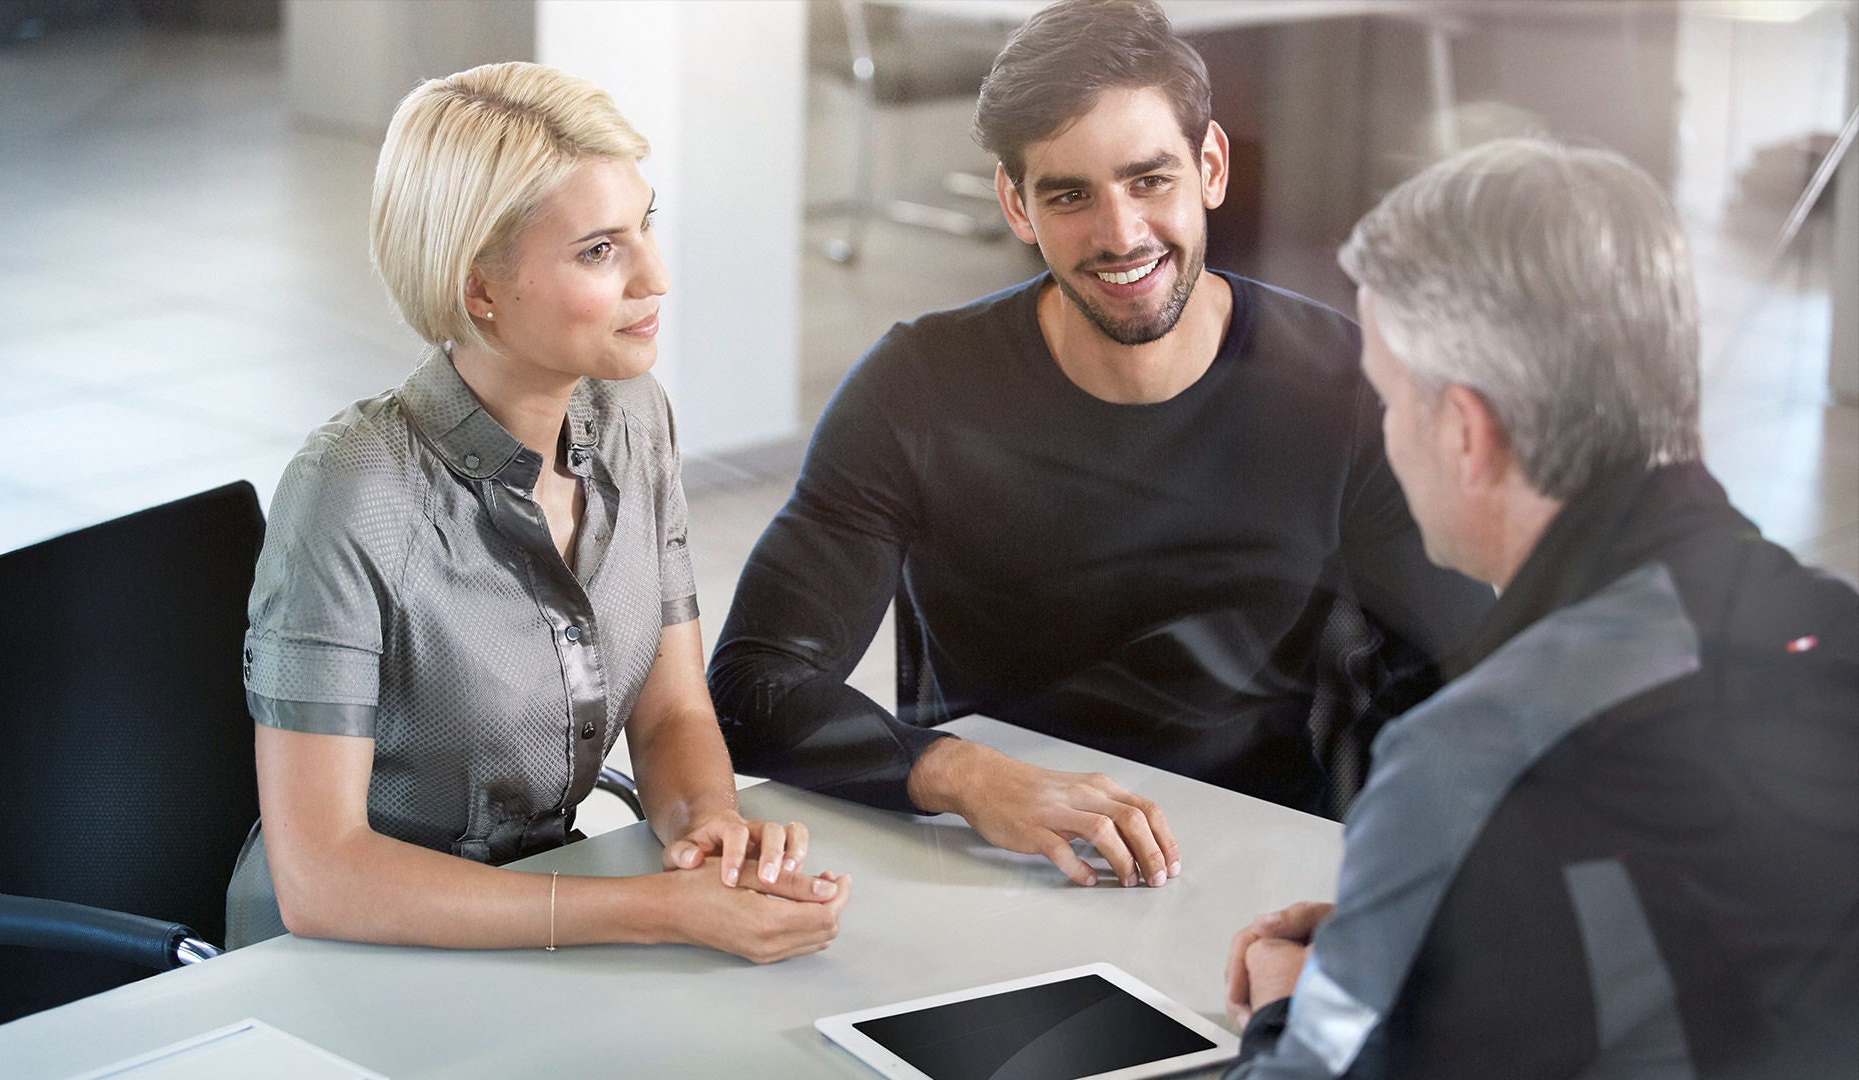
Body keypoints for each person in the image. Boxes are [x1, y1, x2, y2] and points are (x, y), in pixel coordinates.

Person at [711, 0, 1490, 890]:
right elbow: (752, 686)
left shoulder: (1355, 388)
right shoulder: (917, 386)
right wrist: (963, 776)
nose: (1120, 234)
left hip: (1257, 866)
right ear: (1017, 204)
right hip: (989, 864)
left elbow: (1465, 692)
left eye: (1150, 180)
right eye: (1070, 194)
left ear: (1211, 167)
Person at [1220, 138, 1859, 1078]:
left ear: (1467, 432)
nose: (1386, 434)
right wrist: (1417, 941)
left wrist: (1289, 1007)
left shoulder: (1469, 761)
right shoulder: (1832, 629)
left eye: (1390, 401)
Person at [225, 62, 849, 961]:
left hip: (538, 918)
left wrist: (710, 829)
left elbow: (672, 709)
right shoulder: (354, 489)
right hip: (347, 961)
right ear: (481, 289)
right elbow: (322, 875)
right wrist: (659, 910)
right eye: (602, 250)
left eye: (646, 227)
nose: (658, 276)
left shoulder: (634, 418)